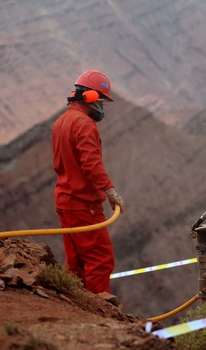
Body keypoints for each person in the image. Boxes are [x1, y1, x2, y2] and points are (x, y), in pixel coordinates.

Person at [52, 70, 124, 295]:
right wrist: (111, 191)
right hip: (84, 205)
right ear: (91, 98)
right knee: (99, 258)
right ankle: (99, 309)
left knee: (75, 262)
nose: (102, 108)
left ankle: (75, 306)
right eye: (101, 102)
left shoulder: (62, 121)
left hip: (65, 201)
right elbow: (91, 164)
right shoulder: (84, 124)